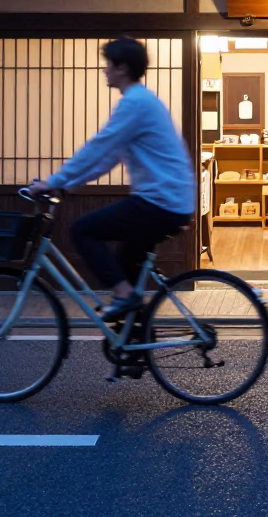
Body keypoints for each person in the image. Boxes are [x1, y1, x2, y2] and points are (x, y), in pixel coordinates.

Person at [27, 37, 196, 322]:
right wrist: (66, 185)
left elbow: (99, 146)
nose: (105, 70)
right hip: (168, 199)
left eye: (109, 64)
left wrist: (52, 181)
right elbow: (109, 157)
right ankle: (134, 347)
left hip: (160, 201)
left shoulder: (135, 103)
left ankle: (125, 297)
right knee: (125, 268)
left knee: (83, 230)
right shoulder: (141, 101)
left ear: (123, 67)